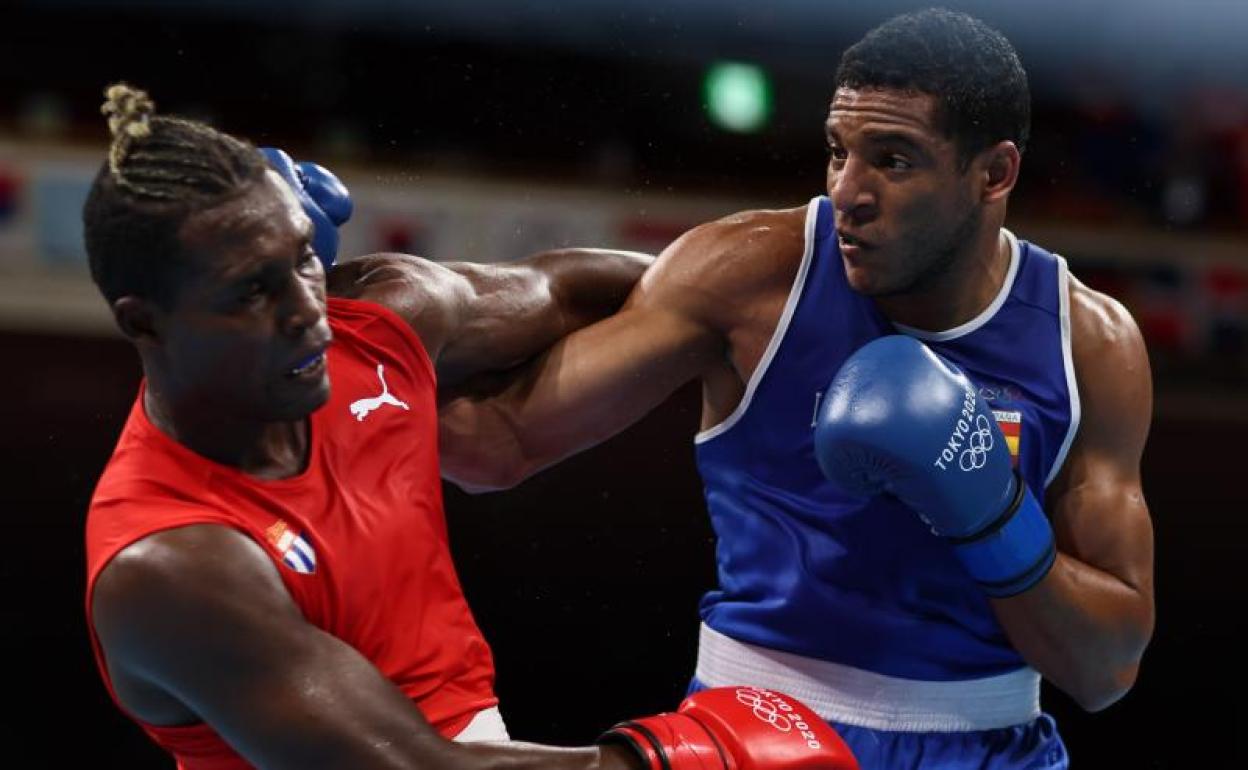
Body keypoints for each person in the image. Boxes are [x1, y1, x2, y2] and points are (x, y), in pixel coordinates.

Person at [438, 9, 1155, 769]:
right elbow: (500, 443)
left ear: (994, 174)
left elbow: (1105, 672)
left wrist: (992, 515)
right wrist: (356, 375)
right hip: (757, 731)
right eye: (839, 151)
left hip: (991, 746)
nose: (849, 191)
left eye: (894, 161)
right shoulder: (753, 275)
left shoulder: (1087, 346)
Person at [82, 85, 860, 770]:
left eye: (302, 259)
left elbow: (569, 291)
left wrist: (788, 313)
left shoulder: (374, 330)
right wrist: (673, 761)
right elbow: (410, 766)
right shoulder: (173, 563)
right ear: (143, 322)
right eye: (253, 291)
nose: (308, 314)